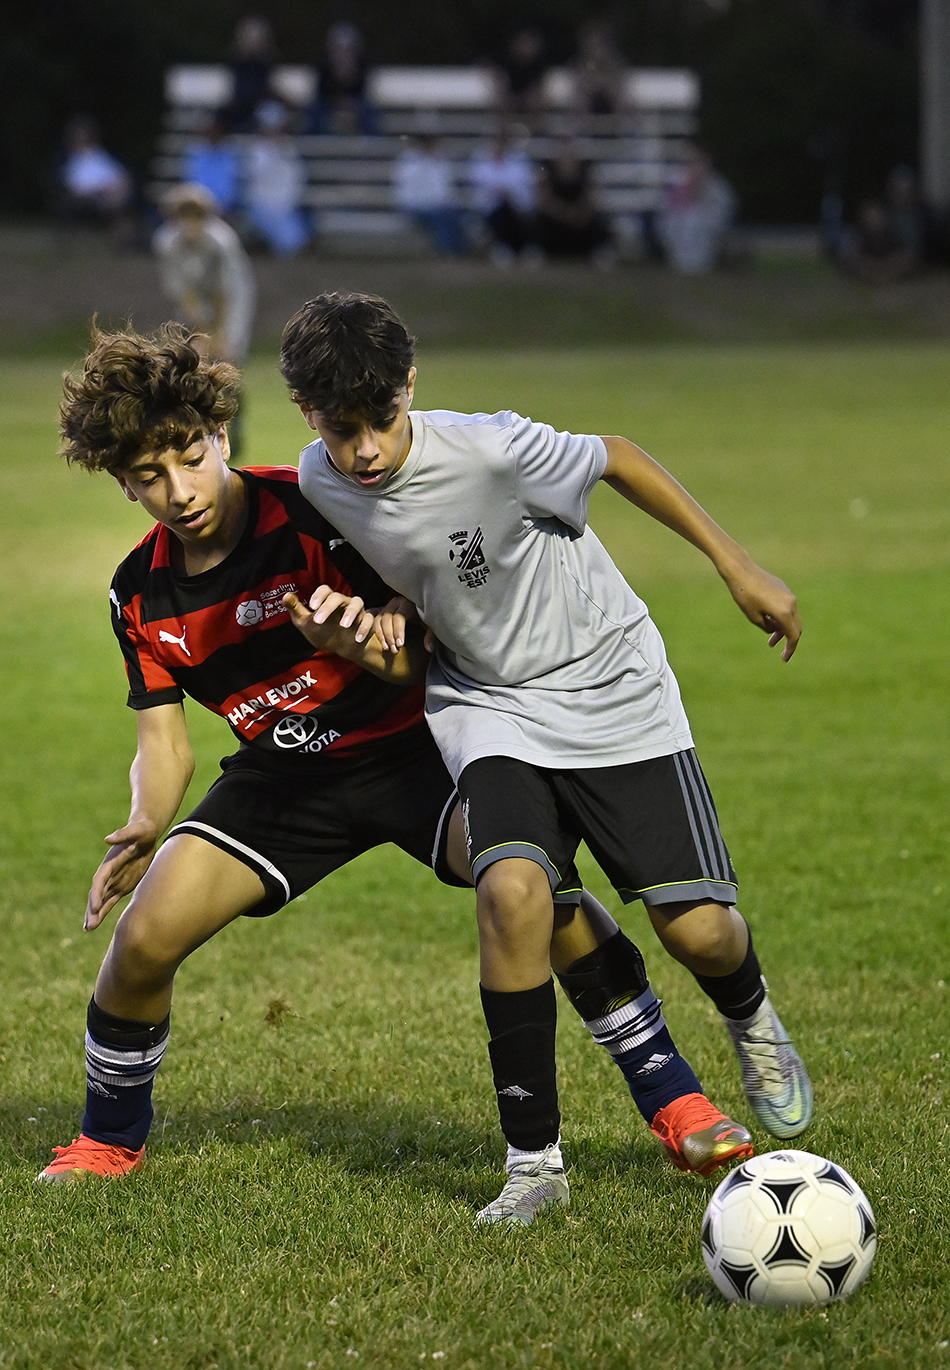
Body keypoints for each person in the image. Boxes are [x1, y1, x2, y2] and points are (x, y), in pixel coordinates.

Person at [37, 324, 753, 1198]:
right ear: (122, 481)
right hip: (284, 780)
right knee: (143, 939)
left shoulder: (314, 506)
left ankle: (674, 1095)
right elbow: (164, 740)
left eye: (191, 458)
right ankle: (106, 1141)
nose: (179, 490)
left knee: (535, 894)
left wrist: (365, 645)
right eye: (150, 476)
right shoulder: (138, 592)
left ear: (222, 436)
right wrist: (148, 820)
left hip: (416, 752)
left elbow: (417, 640)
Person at [284, 292, 814, 1225]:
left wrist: (737, 564)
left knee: (698, 932)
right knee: (512, 893)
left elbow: (619, 456)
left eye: (381, 420)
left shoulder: (491, 448)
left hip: (610, 688)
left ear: (412, 385)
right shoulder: (319, 481)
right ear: (306, 413)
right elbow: (403, 563)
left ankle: (749, 1014)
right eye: (340, 428)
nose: (363, 450)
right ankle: (533, 1163)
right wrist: (387, 612)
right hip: (488, 705)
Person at [153, 184, 255, 460]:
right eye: (182, 217)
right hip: (196, 300)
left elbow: (224, 291)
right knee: (192, 357)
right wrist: (200, 330)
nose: (189, 225)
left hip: (232, 299)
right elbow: (183, 292)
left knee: (227, 358)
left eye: (195, 217)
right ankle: (199, 427)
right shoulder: (166, 242)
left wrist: (218, 333)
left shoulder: (222, 241)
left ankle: (235, 423)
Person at [244, 100, 310, 256]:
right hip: (261, 204)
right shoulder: (256, 149)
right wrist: (272, 151)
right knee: (286, 242)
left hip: (286, 205)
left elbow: (297, 176)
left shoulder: (288, 148)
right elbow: (254, 175)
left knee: (296, 241)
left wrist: (290, 200)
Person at [57, 115, 134, 243]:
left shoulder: (99, 155)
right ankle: (125, 238)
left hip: (107, 193)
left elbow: (119, 174)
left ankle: (126, 238)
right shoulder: (74, 160)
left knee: (118, 198)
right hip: (86, 197)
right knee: (115, 204)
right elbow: (73, 186)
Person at [660, 146, 735, 275]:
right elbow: (666, 207)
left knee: (694, 226)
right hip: (678, 225)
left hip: (705, 227)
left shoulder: (717, 186)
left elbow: (722, 210)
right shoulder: (678, 183)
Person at [535, 142, 613, 263]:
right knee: (539, 219)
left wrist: (578, 213)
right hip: (556, 219)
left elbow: (592, 198)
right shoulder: (549, 174)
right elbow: (544, 200)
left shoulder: (585, 173)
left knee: (599, 219)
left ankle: (598, 251)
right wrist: (563, 213)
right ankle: (540, 251)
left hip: (580, 219)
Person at [469, 131, 537, 264]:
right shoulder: (480, 160)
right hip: (490, 208)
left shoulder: (520, 160)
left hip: (518, 206)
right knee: (503, 213)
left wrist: (511, 196)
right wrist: (501, 194)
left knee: (518, 214)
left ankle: (523, 247)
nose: (499, 145)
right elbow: (480, 187)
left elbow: (525, 187)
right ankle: (506, 247)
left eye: (502, 142)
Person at [392, 137, 467, 256]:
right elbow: (408, 192)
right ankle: (447, 249)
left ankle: (459, 247)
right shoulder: (409, 161)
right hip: (415, 206)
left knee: (461, 215)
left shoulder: (441, 161)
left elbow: (446, 188)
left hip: (439, 205)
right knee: (443, 217)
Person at [306, 22, 376, 135]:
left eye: (348, 51)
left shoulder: (366, 78)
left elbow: (375, 131)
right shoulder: (321, 77)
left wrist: (353, 112)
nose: (342, 57)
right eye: (337, 51)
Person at [182, 115, 242, 219]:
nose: (213, 135)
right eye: (209, 132)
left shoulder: (229, 154)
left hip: (223, 210)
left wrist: (220, 207)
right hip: (196, 206)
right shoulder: (194, 153)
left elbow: (230, 188)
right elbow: (190, 181)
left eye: (216, 132)